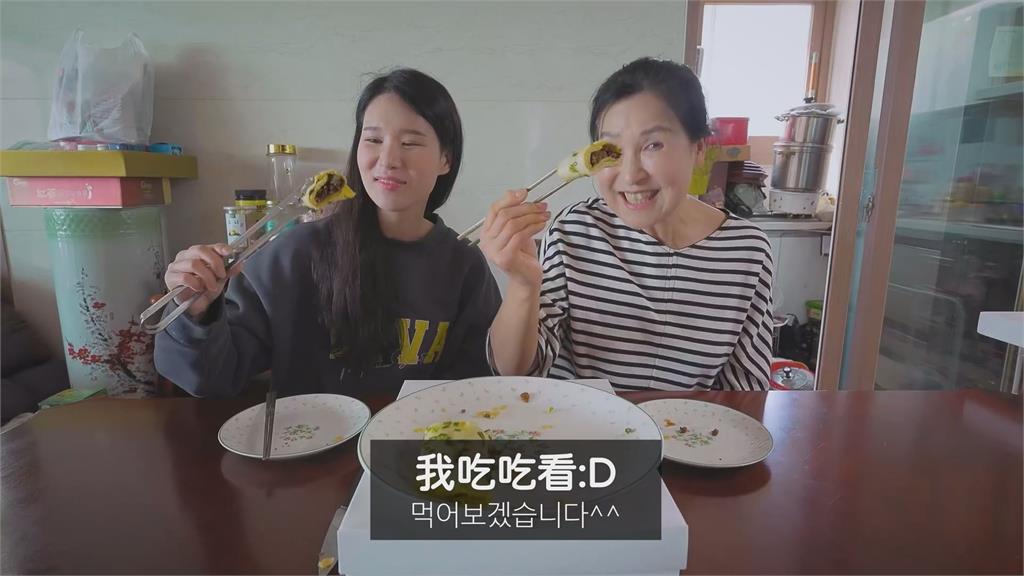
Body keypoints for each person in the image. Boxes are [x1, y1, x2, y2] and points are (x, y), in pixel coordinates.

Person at [155, 68, 501, 397]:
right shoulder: (295, 253)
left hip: (418, 437)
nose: (388, 159)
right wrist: (196, 312)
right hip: (306, 437)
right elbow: (211, 377)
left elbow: (481, 385)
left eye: (410, 143)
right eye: (373, 139)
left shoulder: (464, 266)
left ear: (445, 159)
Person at [481, 57, 774, 391]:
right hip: (582, 421)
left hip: (686, 424)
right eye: (611, 149)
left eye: (653, 145)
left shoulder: (746, 250)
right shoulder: (575, 231)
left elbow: (745, 391)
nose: (631, 175)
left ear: (699, 149)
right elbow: (515, 371)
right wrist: (523, 284)